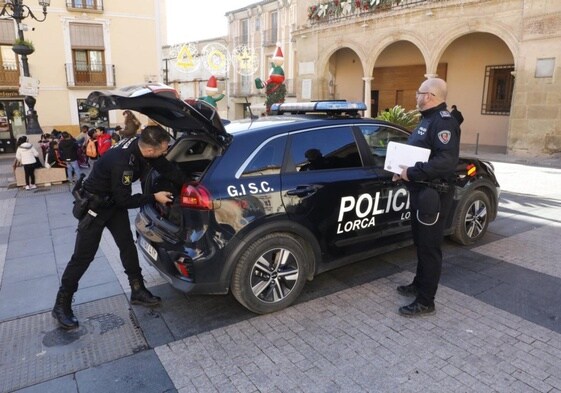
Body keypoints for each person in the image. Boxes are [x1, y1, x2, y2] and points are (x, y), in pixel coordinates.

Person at [52, 125, 185, 330]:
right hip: (94, 209)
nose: (166, 151)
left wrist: (190, 184)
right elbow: (124, 199)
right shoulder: (123, 162)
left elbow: (166, 167)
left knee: (127, 247)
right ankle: (61, 305)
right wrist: (153, 197)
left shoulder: (143, 145)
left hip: (112, 204)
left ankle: (138, 290)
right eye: (164, 148)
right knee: (82, 257)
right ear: (150, 149)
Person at [392, 77, 460, 317]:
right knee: (421, 242)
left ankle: (426, 301)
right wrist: (403, 173)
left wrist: (411, 172)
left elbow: (445, 161)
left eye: (419, 92)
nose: (416, 96)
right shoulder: (428, 120)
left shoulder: (443, 123)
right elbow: (421, 155)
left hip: (433, 194)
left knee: (430, 247)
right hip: (421, 190)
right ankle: (418, 284)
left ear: (430, 95)